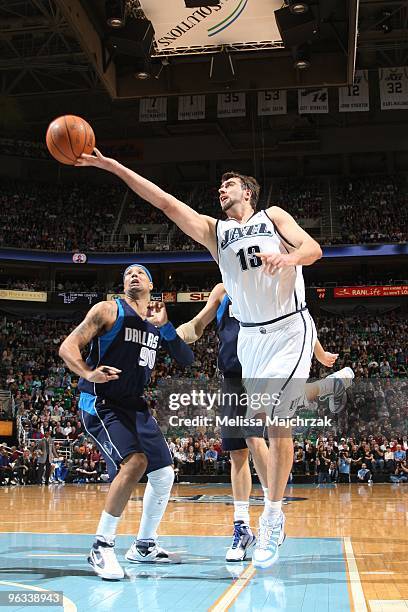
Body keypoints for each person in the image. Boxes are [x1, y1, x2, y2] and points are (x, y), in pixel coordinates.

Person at [76, 151, 354, 569]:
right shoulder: (215, 232)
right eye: (219, 187)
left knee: (276, 419)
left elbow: (313, 250)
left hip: (289, 326)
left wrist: (288, 257)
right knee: (262, 420)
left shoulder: (273, 216)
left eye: (228, 185)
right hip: (251, 341)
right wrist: (111, 166)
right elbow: (165, 202)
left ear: (247, 191)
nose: (220, 190)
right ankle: (323, 392)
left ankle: (273, 516)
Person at [177, 282, 351, 562]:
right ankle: (242, 526)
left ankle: (273, 512)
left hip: (260, 373)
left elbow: (297, 315)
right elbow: (197, 326)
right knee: (236, 454)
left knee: (253, 435)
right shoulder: (221, 290)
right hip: (231, 379)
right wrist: (172, 335)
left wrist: (318, 352)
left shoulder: (263, 283)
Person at [59, 264, 194, 580]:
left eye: (140, 272)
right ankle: (101, 545)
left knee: (163, 474)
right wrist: (88, 372)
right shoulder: (108, 310)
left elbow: (187, 360)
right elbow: (67, 347)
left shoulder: (154, 323)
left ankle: (144, 546)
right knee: (135, 463)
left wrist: (168, 328)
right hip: (102, 403)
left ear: (151, 284)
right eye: (127, 274)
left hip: (134, 406)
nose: (132, 275)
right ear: (123, 285)